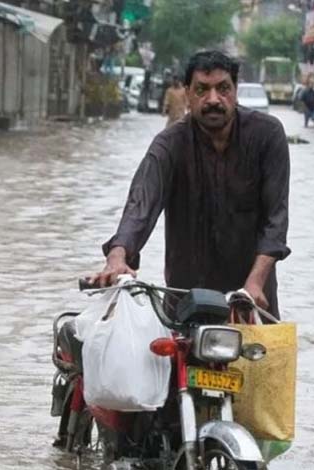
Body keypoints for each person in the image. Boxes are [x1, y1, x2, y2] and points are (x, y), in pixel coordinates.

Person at [90, 50, 290, 317]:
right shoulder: (170, 144)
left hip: (252, 297)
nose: (213, 100)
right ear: (187, 93)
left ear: (235, 90)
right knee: (161, 355)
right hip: (186, 301)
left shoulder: (267, 135)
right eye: (202, 90)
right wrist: (117, 257)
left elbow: (276, 220)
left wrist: (255, 282)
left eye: (223, 89)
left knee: (270, 357)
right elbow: (141, 205)